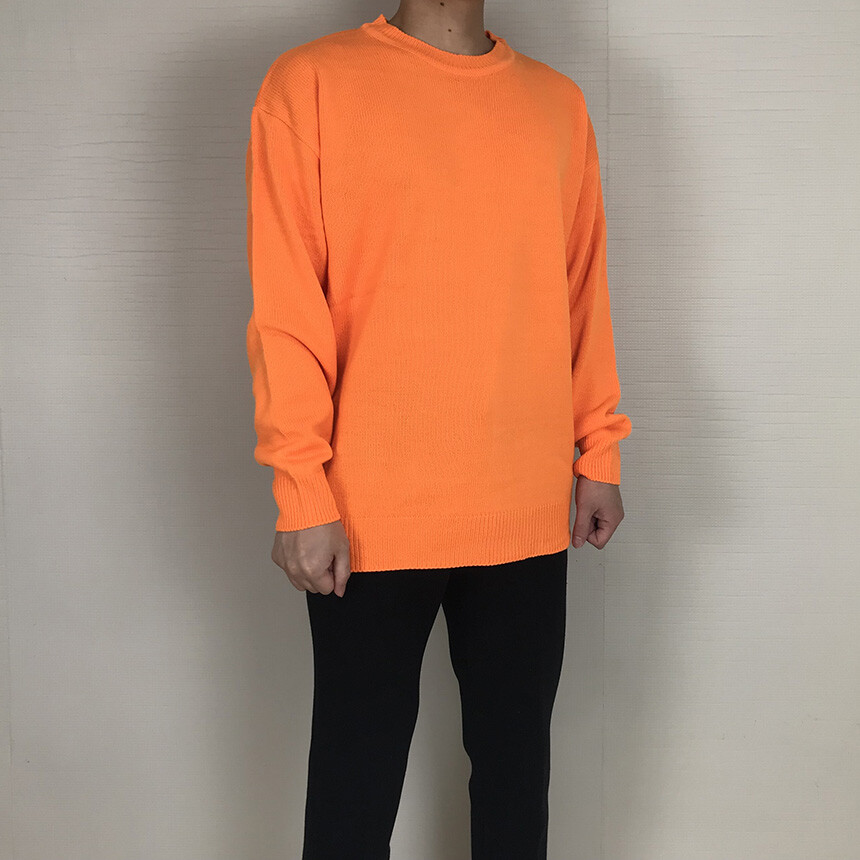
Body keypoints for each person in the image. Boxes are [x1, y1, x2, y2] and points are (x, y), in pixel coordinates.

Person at [244, 3, 632, 857]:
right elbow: (287, 309)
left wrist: (599, 446)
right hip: (369, 513)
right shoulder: (311, 84)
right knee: (355, 788)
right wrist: (301, 488)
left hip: (526, 505)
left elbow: (581, 286)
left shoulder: (557, 103)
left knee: (516, 784)